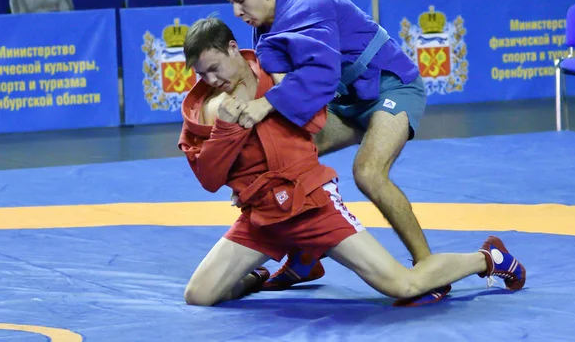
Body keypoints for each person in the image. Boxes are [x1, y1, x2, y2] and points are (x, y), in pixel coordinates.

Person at [179, 17, 526, 307]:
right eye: (201, 74)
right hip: (262, 217)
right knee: (198, 295)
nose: (212, 80)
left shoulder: (277, 71)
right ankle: (268, 272)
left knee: (401, 285)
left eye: (214, 68)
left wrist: (273, 100)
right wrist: (227, 129)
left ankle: (488, 258)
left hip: (311, 207)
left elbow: (315, 125)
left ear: (231, 48)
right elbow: (209, 178)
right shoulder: (207, 109)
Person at [198, 0, 447, 305]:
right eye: (232, 3)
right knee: (291, 153)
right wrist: (252, 183)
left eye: (241, 0)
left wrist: (265, 104)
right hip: (346, 99)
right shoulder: (264, 33)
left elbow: (320, 75)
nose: (237, 12)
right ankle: (304, 258)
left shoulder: (310, 2)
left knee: (368, 173)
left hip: (391, 87)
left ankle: (428, 268)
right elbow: (283, 87)